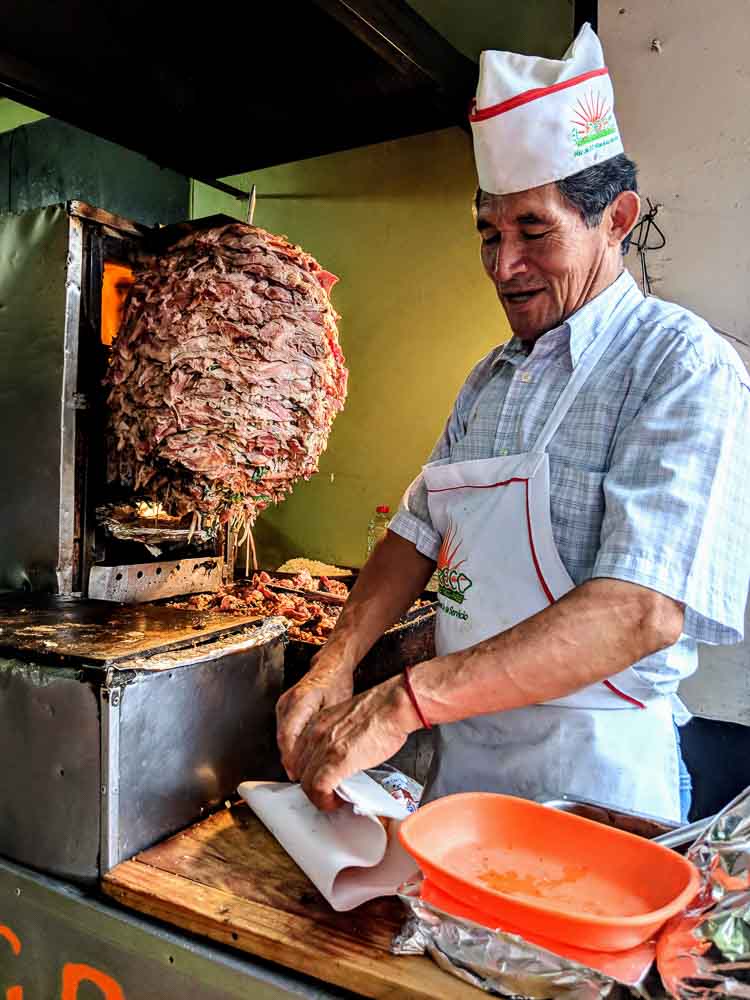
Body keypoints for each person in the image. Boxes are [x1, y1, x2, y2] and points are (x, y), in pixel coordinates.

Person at [276, 24, 750, 823]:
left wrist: (400, 704)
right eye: (490, 235)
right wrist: (336, 661)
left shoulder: (681, 366)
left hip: (595, 788)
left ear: (616, 219)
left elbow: (640, 610)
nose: (504, 267)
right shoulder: (492, 379)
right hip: (465, 772)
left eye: (534, 231)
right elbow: (417, 531)